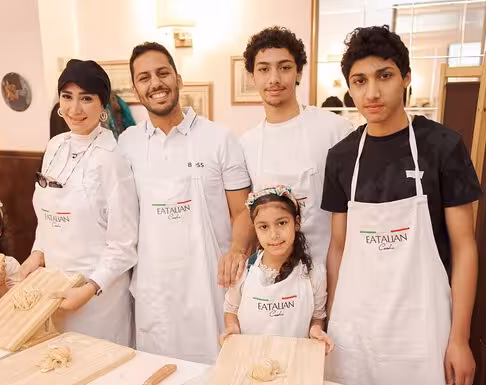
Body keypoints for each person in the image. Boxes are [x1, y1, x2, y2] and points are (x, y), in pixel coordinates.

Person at [322, 26, 481, 385]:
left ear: (406, 78)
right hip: (356, 326)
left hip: (423, 328)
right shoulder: (342, 157)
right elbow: (338, 248)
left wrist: (459, 339)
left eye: (385, 76)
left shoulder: (443, 146)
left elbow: (464, 248)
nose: (372, 93)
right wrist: (329, 323)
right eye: (359, 81)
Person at [118, 42, 252, 364]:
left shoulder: (219, 139)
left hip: (210, 288)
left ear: (178, 79)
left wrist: (236, 250)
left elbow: (243, 211)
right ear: (136, 89)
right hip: (155, 291)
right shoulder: (127, 144)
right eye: (145, 77)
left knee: (215, 377)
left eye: (163, 73)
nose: (155, 84)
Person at [18, 59, 138, 346]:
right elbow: (47, 216)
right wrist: (38, 252)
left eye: (86, 98)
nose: (74, 109)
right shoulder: (55, 146)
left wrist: (90, 288)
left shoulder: (112, 158)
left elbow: (123, 244)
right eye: (67, 97)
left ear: (103, 104)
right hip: (55, 287)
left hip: (98, 297)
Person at [238, 26, 354, 266]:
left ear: (299, 72)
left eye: (285, 67)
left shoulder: (335, 129)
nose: (274, 79)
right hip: (276, 279)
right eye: (263, 69)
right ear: (252, 77)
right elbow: (247, 216)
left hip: (329, 267)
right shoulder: (247, 144)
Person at [220, 186, 332, 353]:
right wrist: (232, 329)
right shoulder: (243, 271)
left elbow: (317, 317)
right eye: (264, 227)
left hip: (295, 361)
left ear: (297, 222)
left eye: (282, 223)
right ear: (255, 229)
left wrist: (316, 330)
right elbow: (231, 310)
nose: (274, 235)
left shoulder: (314, 273)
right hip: (251, 361)